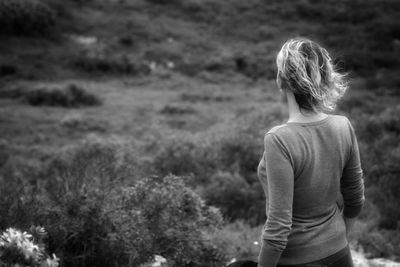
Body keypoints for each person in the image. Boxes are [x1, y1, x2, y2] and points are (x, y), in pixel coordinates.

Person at [257, 38, 365, 267]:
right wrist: (337, 239)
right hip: (340, 255)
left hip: (296, 260)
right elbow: (355, 198)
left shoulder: (279, 139)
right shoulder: (343, 126)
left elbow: (278, 227)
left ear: (281, 80)